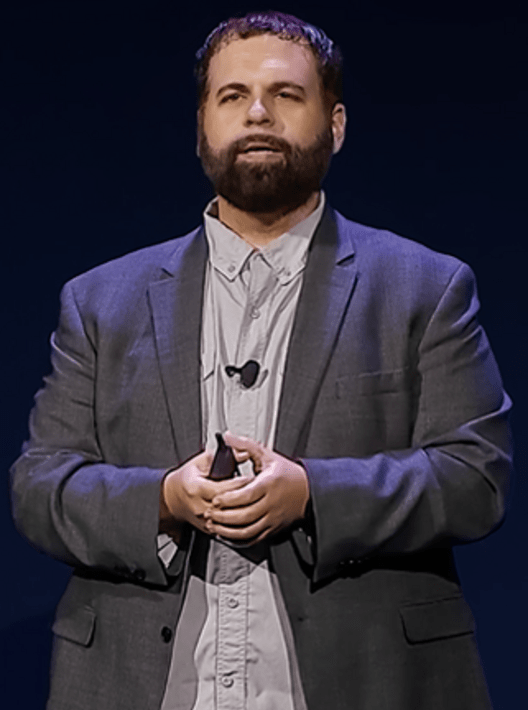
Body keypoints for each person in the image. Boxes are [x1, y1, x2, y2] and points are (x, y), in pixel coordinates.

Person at [10, 10, 512, 710]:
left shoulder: (425, 287)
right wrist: (165, 500)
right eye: (232, 96)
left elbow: (475, 477)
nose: (257, 114)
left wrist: (312, 494)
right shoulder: (100, 301)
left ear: (335, 124)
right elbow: (40, 488)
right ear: (201, 128)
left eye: (286, 94)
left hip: (364, 682)